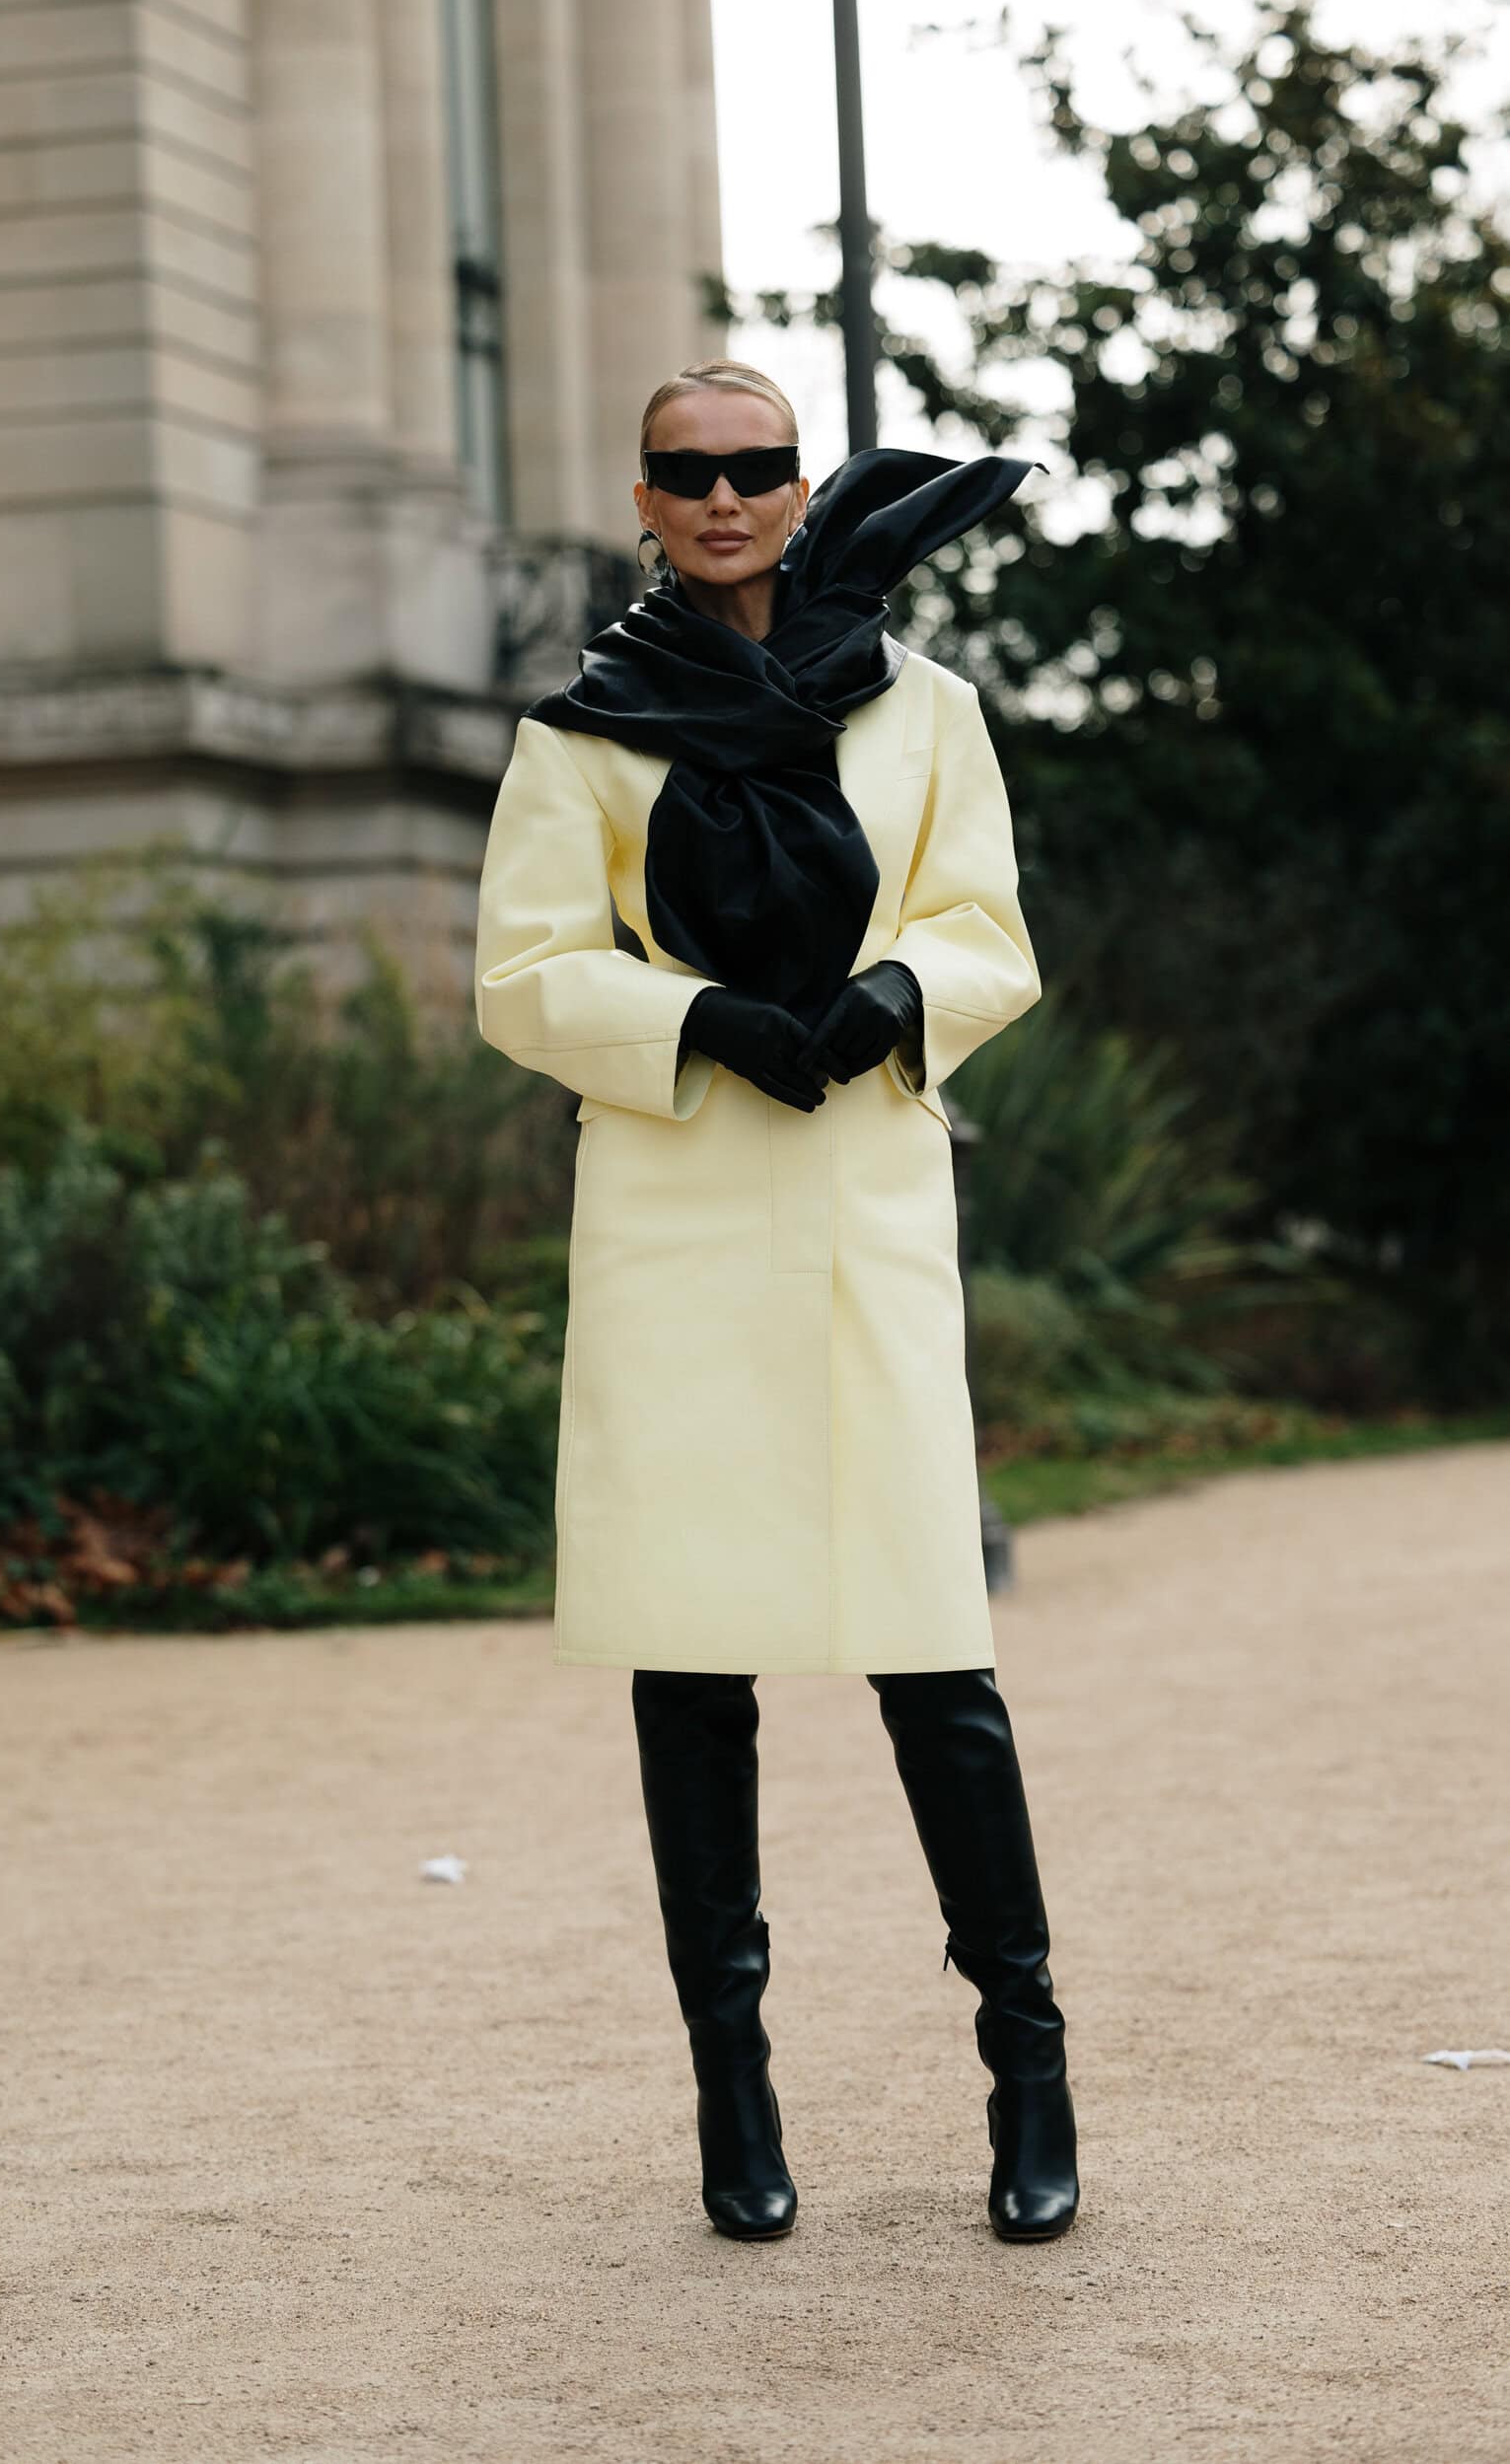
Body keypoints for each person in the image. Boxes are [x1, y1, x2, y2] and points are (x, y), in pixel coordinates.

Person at [473, 358, 1078, 2247]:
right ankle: (735, 2102)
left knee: (937, 1664)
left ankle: (1030, 2077)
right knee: (691, 1670)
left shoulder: (929, 711)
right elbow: (519, 971)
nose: (725, 499)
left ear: (804, 488)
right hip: (673, 1213)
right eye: (686, 474)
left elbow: (982, 925)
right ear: (643, 501)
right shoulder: (580, 736)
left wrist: (892, 1003)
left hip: (867, 1195)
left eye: (757, 468)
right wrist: (701, 1018)